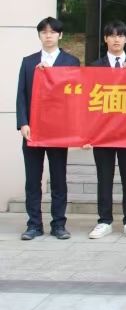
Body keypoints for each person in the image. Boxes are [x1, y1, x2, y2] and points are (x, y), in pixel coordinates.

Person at [16, 17, 80, 240]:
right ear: (40, 36)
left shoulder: (71, 61)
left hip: (58, 131)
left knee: (58, 179)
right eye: (44, 32)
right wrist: (23, 123)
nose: (48, 35)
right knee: (33, 180)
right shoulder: (29, 62)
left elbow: (75, 95)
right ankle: (34, 224)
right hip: (33, 130)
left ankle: (58, 224)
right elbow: (21, 95)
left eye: (53, 32)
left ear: (60, 35)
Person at [87, 20, 126, 240]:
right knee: (104, 178)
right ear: (105, 39)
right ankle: (104, 221)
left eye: (120, 35)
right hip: (103, 132)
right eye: (111, 35)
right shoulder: (95, 66)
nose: (116, 39)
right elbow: (88, 101)